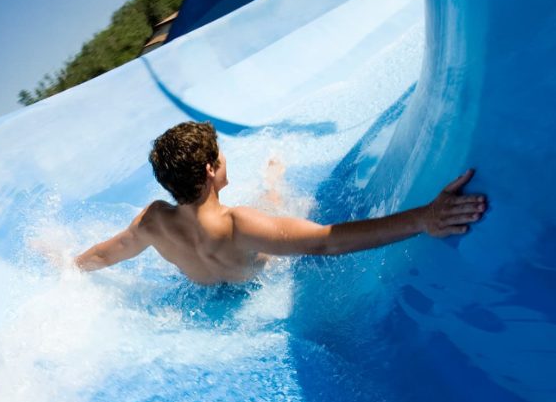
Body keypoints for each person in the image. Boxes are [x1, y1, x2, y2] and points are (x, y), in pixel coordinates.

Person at [71, 121, 487, 285]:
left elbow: (106, 255)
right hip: (256, 275)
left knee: (269, 212)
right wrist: (424, 218)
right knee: (284, 207)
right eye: (220, 156)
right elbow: (327, 241)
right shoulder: (241, 225)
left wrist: (68, 268)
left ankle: (274, 182)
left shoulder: (152, 222)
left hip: (205, 290)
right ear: (211, 169)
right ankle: (275, 181)